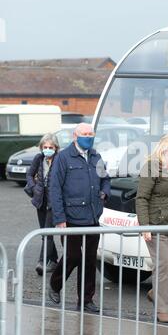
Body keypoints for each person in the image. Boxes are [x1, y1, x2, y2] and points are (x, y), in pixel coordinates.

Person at [48, 123, 110, 313]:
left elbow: (105, 178)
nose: (88, 137)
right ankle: (55, 285)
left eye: (91, 134)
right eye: (84, 134)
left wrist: (104, 194)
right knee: (74, 256)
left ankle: (86, 300)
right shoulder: (63, 158)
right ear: (75, 136)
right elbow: (55, 188)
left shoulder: (95, 156)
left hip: (92, 217)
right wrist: (59, 219)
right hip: (71, 217)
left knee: (90, 260)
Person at [136, 134, 168, 323]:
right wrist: (145, 226)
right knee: (163, 265)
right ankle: (162, 309)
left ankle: (155, 292)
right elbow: (141, 198)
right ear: (164, 149)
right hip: (156, 225)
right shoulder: (151, 167)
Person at [24, 133, 60, 275]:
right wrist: (33, 187)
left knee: (47, 232)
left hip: (53, 201)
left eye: (50, 147)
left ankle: (42, 262)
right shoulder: (39, 158)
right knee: (44, 232)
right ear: (41, 147)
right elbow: (29, 175)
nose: (47, 149)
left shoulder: (59, 160)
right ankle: (54, 260)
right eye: (45, 147)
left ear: (56, 148)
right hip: (40, 200)